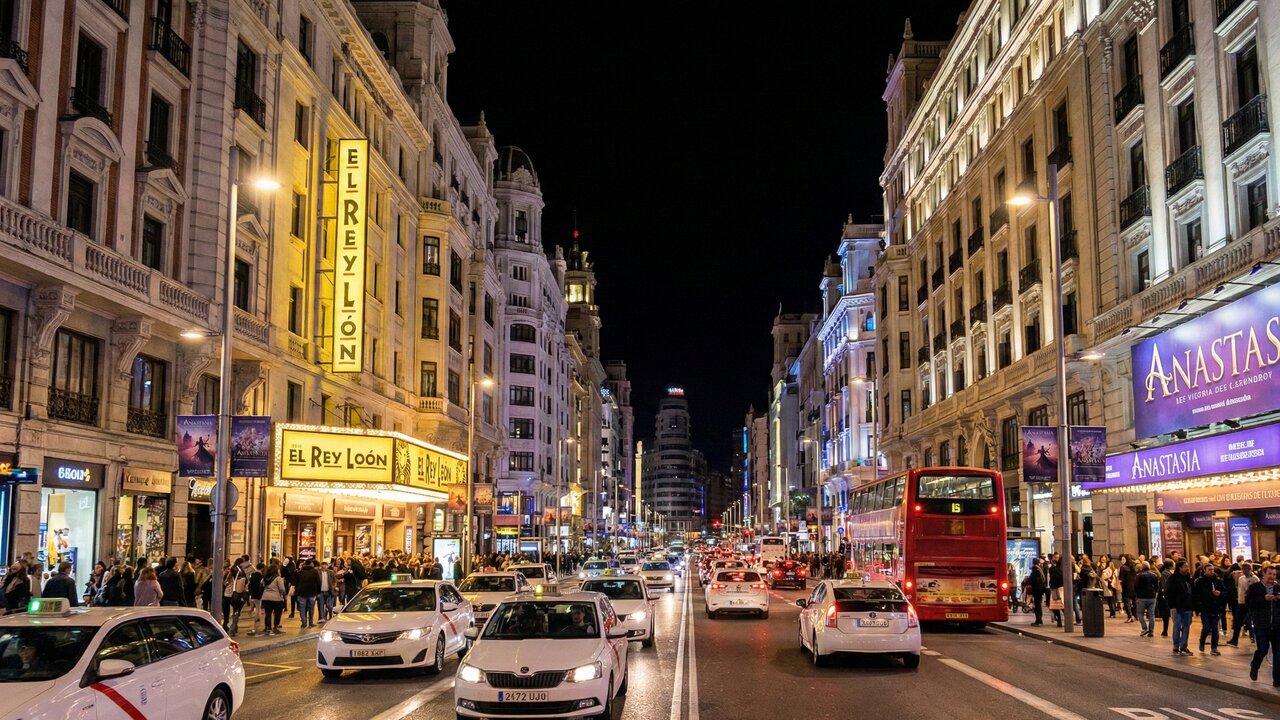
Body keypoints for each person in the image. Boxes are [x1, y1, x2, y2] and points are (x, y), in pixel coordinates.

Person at [1247, 565, 1280, 686]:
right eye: (1270, 574)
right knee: (1263, 649)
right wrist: (1263, 598)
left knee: (1278, 653)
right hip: (1261, 625)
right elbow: (1249, 603)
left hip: (1277, 626)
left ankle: (1277, 680)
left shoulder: (1278, 587)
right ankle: (1255, 665)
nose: (1272, 577)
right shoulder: (1255, 588)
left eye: (1274, 574)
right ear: (1264, 574)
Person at [1193, 561, 1227, 655]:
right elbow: (1196, 595)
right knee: (1206, 628)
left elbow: (1225, 592)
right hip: (1205, 608)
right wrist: (1197, 609)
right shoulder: (1199, 581)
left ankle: (1214, 648)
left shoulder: (1218, 581)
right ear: (1204, 570)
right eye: (1209, 570)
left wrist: (1220, 594)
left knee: (1215, 629)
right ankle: (1202, 642)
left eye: (1212, 569)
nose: (1212, 571)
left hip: (1216, 607)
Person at [1167, 560, 1195, 656]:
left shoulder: (1188, 578)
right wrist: (1172, 606)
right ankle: (1176, 646)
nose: (1187, 568)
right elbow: (1169, 593)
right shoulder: (1173, 579)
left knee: (1186, 627)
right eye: (1185, 566)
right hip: (1177, 607)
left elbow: (1192, 592)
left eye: (1187, 566)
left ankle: (1183, 646)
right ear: (1180, 568)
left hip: (1187, 606)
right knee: (1177, 626)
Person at [1230, 563, 1260, 646]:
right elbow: (1239, 589)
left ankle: (1255, 637)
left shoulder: (1255, 579)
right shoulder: (1241, 578)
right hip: (1241, 603)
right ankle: (1234, 640)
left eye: (1247, 569)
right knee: (1238, 622)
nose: (1244, 570)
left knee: (1252, 622)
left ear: (1250, 569)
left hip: (1251, 603)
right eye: (1243, 568)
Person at [260, 562, 287, 635]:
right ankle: (276, 627)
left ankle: (267, 628)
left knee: (268, 613)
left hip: (266, 597)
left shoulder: (265, 578)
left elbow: (262, 587)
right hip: (276, 598)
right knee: (277, 613)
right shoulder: (278, 578)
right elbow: (282, 589)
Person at [1134, 561, 1159, 636]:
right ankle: (1151, 632)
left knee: (1140, 613)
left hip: (1142, 597)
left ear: (1142, 567)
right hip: (1152, 597)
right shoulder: (1154, 575)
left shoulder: (1139, 575)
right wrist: (1155, 593)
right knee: (1151, 615)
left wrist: (1137, 595)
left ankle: (1144, 628)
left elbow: (1136, 586)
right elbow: (1157, 586)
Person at [294, 560, 320, 629]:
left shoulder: (300, 572)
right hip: (312, 593)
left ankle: (304, 622)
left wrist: (297, 592)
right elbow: (318, 582)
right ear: (311, 564)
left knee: (302, 608)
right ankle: (311, 622)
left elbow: (295, 583)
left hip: (302, 593)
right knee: (311, 608)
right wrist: (318, 592)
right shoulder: (315, 572)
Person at [1028, 559, 1048, 626]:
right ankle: (1039, 620)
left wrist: (1026, 581)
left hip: (1037, 589)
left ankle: (1038, 620)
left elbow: (1032, 580)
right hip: (1041, 588)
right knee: (1038, 604)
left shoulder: (1035, 570)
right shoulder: (1040, 569)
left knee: (1037, 605)